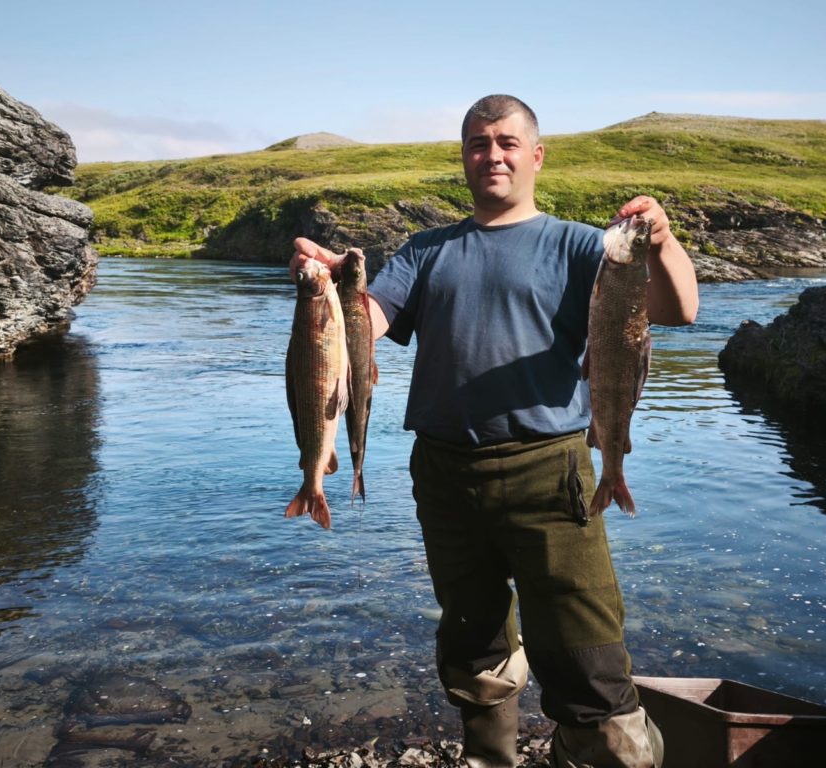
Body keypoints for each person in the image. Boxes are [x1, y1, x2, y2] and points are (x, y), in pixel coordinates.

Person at [293, 94, 698, 768]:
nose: (493, 155)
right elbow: (368, 322)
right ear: (464, 158)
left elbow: (676, 308)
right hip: (445, 474)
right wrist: (327, 285)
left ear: (536, 155)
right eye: (479, 144)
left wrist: (662, 238)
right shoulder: (426, 250)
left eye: (507, 142)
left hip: (553, 469)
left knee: (585, 646)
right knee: (472, 642)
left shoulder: (578, 244)